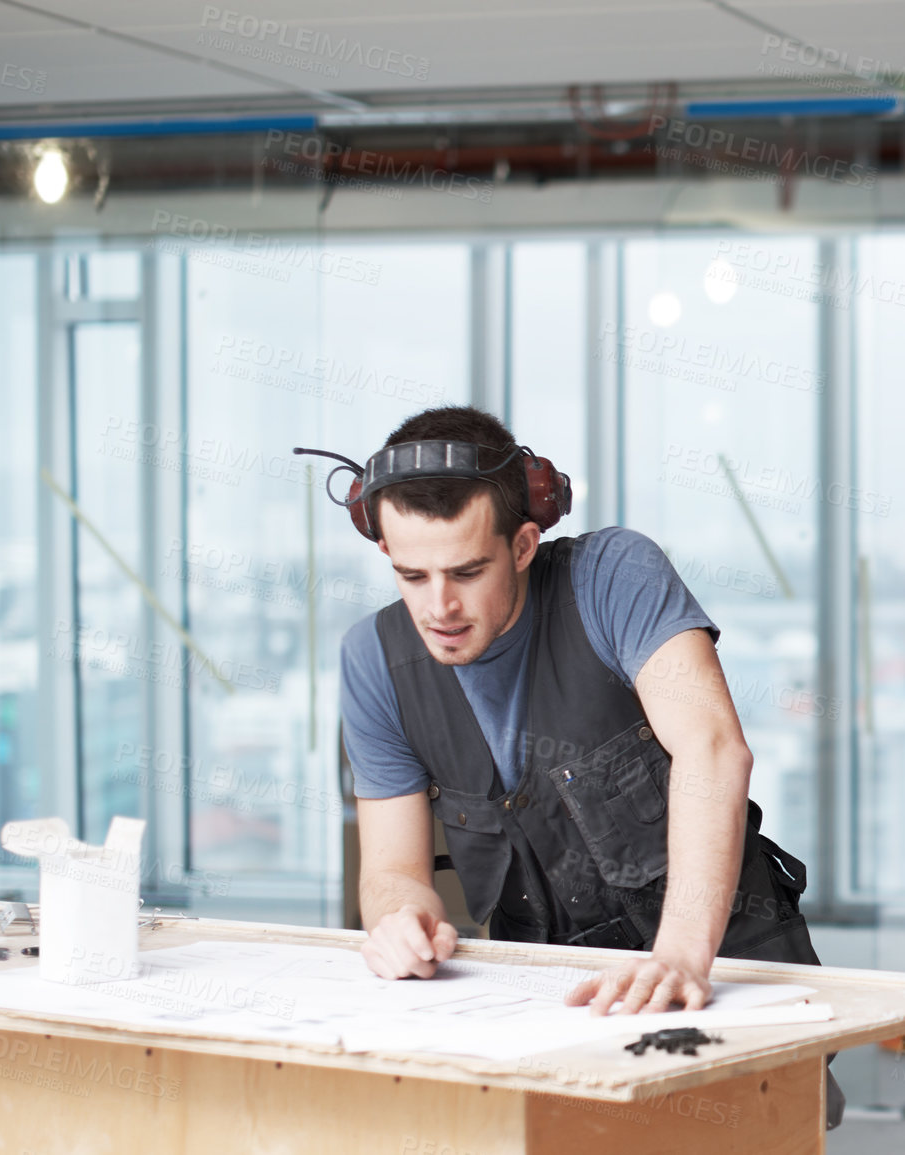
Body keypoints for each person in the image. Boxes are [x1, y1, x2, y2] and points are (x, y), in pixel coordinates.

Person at [324, 406, 842, 1126]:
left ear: (525, 543)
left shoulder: (613, 576)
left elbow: (713, 746)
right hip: (549, 1005)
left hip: (717, 970)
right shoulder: (373, 660)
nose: (438, 605)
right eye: (413, 574)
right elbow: (391, 869)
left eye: (467, 571)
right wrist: (398, 920)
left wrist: (681, 954)